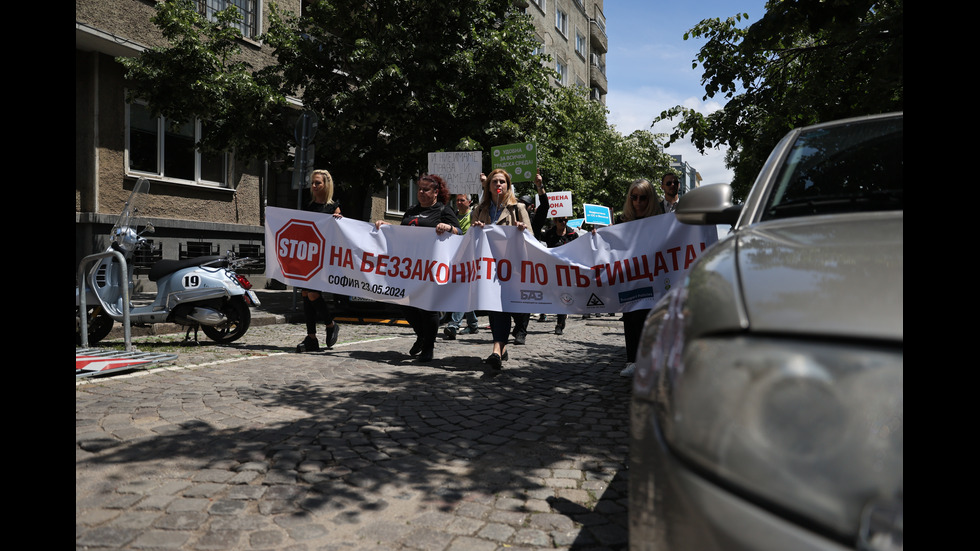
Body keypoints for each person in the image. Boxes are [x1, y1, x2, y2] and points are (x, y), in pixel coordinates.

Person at [375, 175, 460, 362]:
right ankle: (422, 336)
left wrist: (448, 228)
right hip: (409, 267)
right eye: (419, 189)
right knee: (403, 302)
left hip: (430, 267)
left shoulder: (443, 210)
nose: (421, 192)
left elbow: (459, 232)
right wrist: (388, 227)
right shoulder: (412, 210)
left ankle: (428, 348)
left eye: (426, 189)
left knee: (428, 308)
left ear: (436, 192)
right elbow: (403, 231)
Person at [470, 169, 532, 370]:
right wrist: (476, 228)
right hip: (488, 267)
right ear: (488, 186)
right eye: (494, 182)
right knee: (494, 307)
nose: (499, 185)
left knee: (503, 306)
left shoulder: (518, 208)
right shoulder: (480, 210)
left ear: (508, 185)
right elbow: (471, 240)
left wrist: (522, 230)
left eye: (502, 182)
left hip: (510, 267)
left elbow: (531, 238)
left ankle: (497, 349)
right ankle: (499, 348)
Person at [617, 178, 665, 377]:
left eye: (643, 198)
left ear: (650, 199)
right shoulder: (620, 222)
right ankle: (633, 360)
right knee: (632, 316)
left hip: (654, 278)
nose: (638, 202)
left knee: (651, 318)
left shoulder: (661, 222)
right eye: (633, 197)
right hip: (631, 278)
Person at [296, 169, 342, 353]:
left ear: (326, 185)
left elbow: (341, 234)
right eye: (312, 183)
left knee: (313, 294)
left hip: (323, 258)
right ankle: (311, 338)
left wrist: (339, 221)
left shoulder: (333, 207)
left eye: (318, 183)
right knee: (306, 295)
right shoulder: (308, 206)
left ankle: (331, 324)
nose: (314, 186)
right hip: (308, 255)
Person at [444, 193, 480, 340]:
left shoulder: (474, 216)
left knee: (462, 290)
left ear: (469, 202)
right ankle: (473, 324)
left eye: (462, 200)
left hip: (469, 258)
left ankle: (453, 324)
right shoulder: (453, 217)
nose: (458, 202)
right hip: (454, 257)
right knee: (463, 290)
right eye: (457, 200)